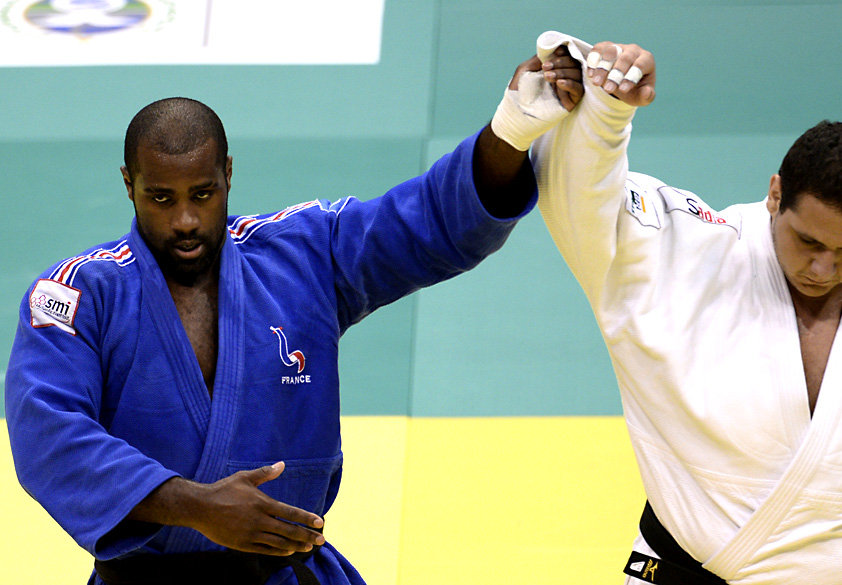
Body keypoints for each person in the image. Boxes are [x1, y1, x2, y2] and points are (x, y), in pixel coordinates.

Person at [513, 31, 842, 585]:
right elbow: (584, 203)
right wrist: (605, 111)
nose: (824, 268)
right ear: (775, 195)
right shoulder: (694, 255)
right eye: (809, 243)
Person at [4, 85, 578, 584]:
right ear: (130, 185)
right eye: (162, 198)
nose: (184, 220)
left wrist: (512, 128)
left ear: (229, 173)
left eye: (202, 194)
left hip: (288, 575)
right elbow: (48, 436)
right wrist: (195, 506)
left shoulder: (302, 255)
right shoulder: (77, 296)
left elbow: (424, 222)